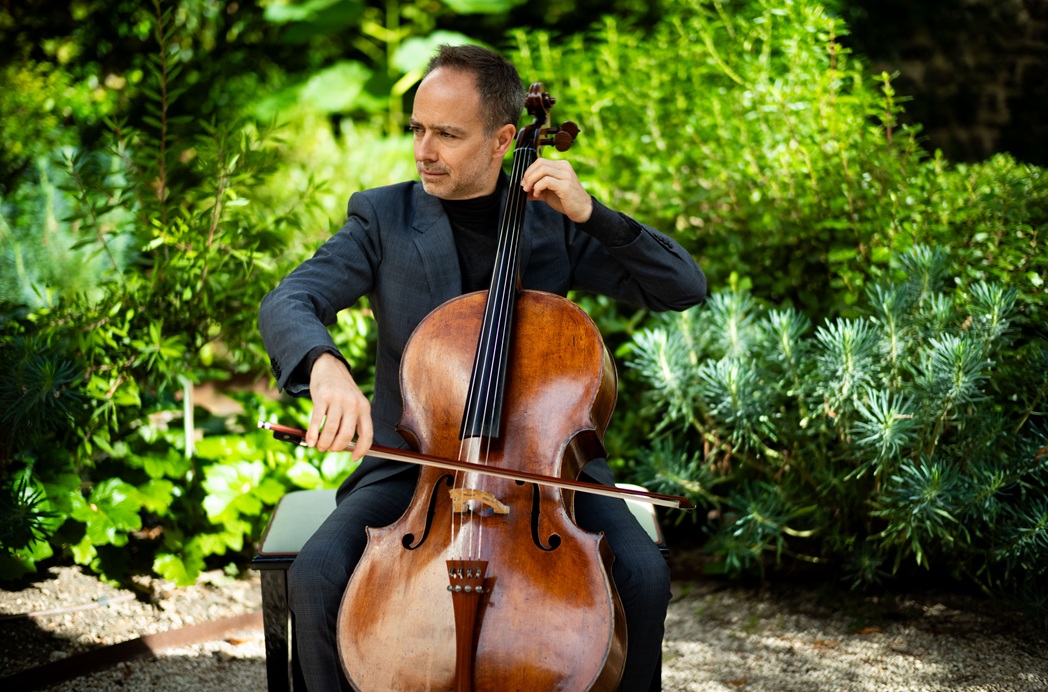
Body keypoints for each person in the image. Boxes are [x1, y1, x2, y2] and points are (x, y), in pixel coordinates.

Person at [259, 44, 706, 691]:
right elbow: (290, 299)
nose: (423, 149)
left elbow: (683, 286)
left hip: (545, 479)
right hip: (414, 471)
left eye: (447, 133)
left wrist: (593, 215)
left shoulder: (554, 224)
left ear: (504, 139)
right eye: (417, 128)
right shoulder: (383, 217)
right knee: (317, 574)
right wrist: (322, 363)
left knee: (643, 576)